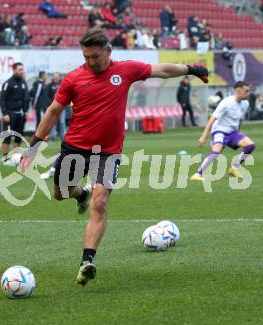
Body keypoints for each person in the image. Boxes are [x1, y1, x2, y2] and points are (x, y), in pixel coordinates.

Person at [19, 28, 208, 286]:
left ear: (108, 51)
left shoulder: (126, 70)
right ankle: (80, 195)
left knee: (101, 203)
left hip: (108, 153)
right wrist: (33, 147)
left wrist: (191, 69)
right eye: (86, 56)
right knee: (61, 193)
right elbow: (53, 111)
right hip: (75, 147)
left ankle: (87, 261)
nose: (90, 61)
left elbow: (160, 69)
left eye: (95, 56)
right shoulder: (73, 79)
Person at [190, 81, 255, 182]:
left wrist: (239, 134)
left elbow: (239, 120)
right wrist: (204, 136)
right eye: (246, 91)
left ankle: (234, 169)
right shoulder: (226, 102)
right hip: (219, 130)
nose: (248, 93)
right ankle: (197, 174)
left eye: (249, 91)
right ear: (238, 91)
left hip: (233, 132)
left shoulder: (245, 104)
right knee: (216, 151)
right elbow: (212, 118)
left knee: (250, 145)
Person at [0, 62, 29, 164]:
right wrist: (5, 113)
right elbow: (2, 99)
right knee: (7, 137)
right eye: (20, 69)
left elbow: (26, 99)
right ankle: (6, 159)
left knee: (18, 137)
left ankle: (16, 158)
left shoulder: (23, 83)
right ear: (14, 70)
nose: (22, 71)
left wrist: (25, 111)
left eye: (22, 69)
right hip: (9, 115)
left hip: (20, 115)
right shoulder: (8, 83)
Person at [47, 72, 66, 140]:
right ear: (53, 77)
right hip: (53, 107)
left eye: (57, 76)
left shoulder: (63, 84)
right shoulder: (50, 85)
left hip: (62, 106)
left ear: (59, 77)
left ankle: (63, 135)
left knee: (62, 122)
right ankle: (53, 136)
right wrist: (50, 104)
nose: (56, 78)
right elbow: (47, 96)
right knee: (53, 122)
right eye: (55, 76)